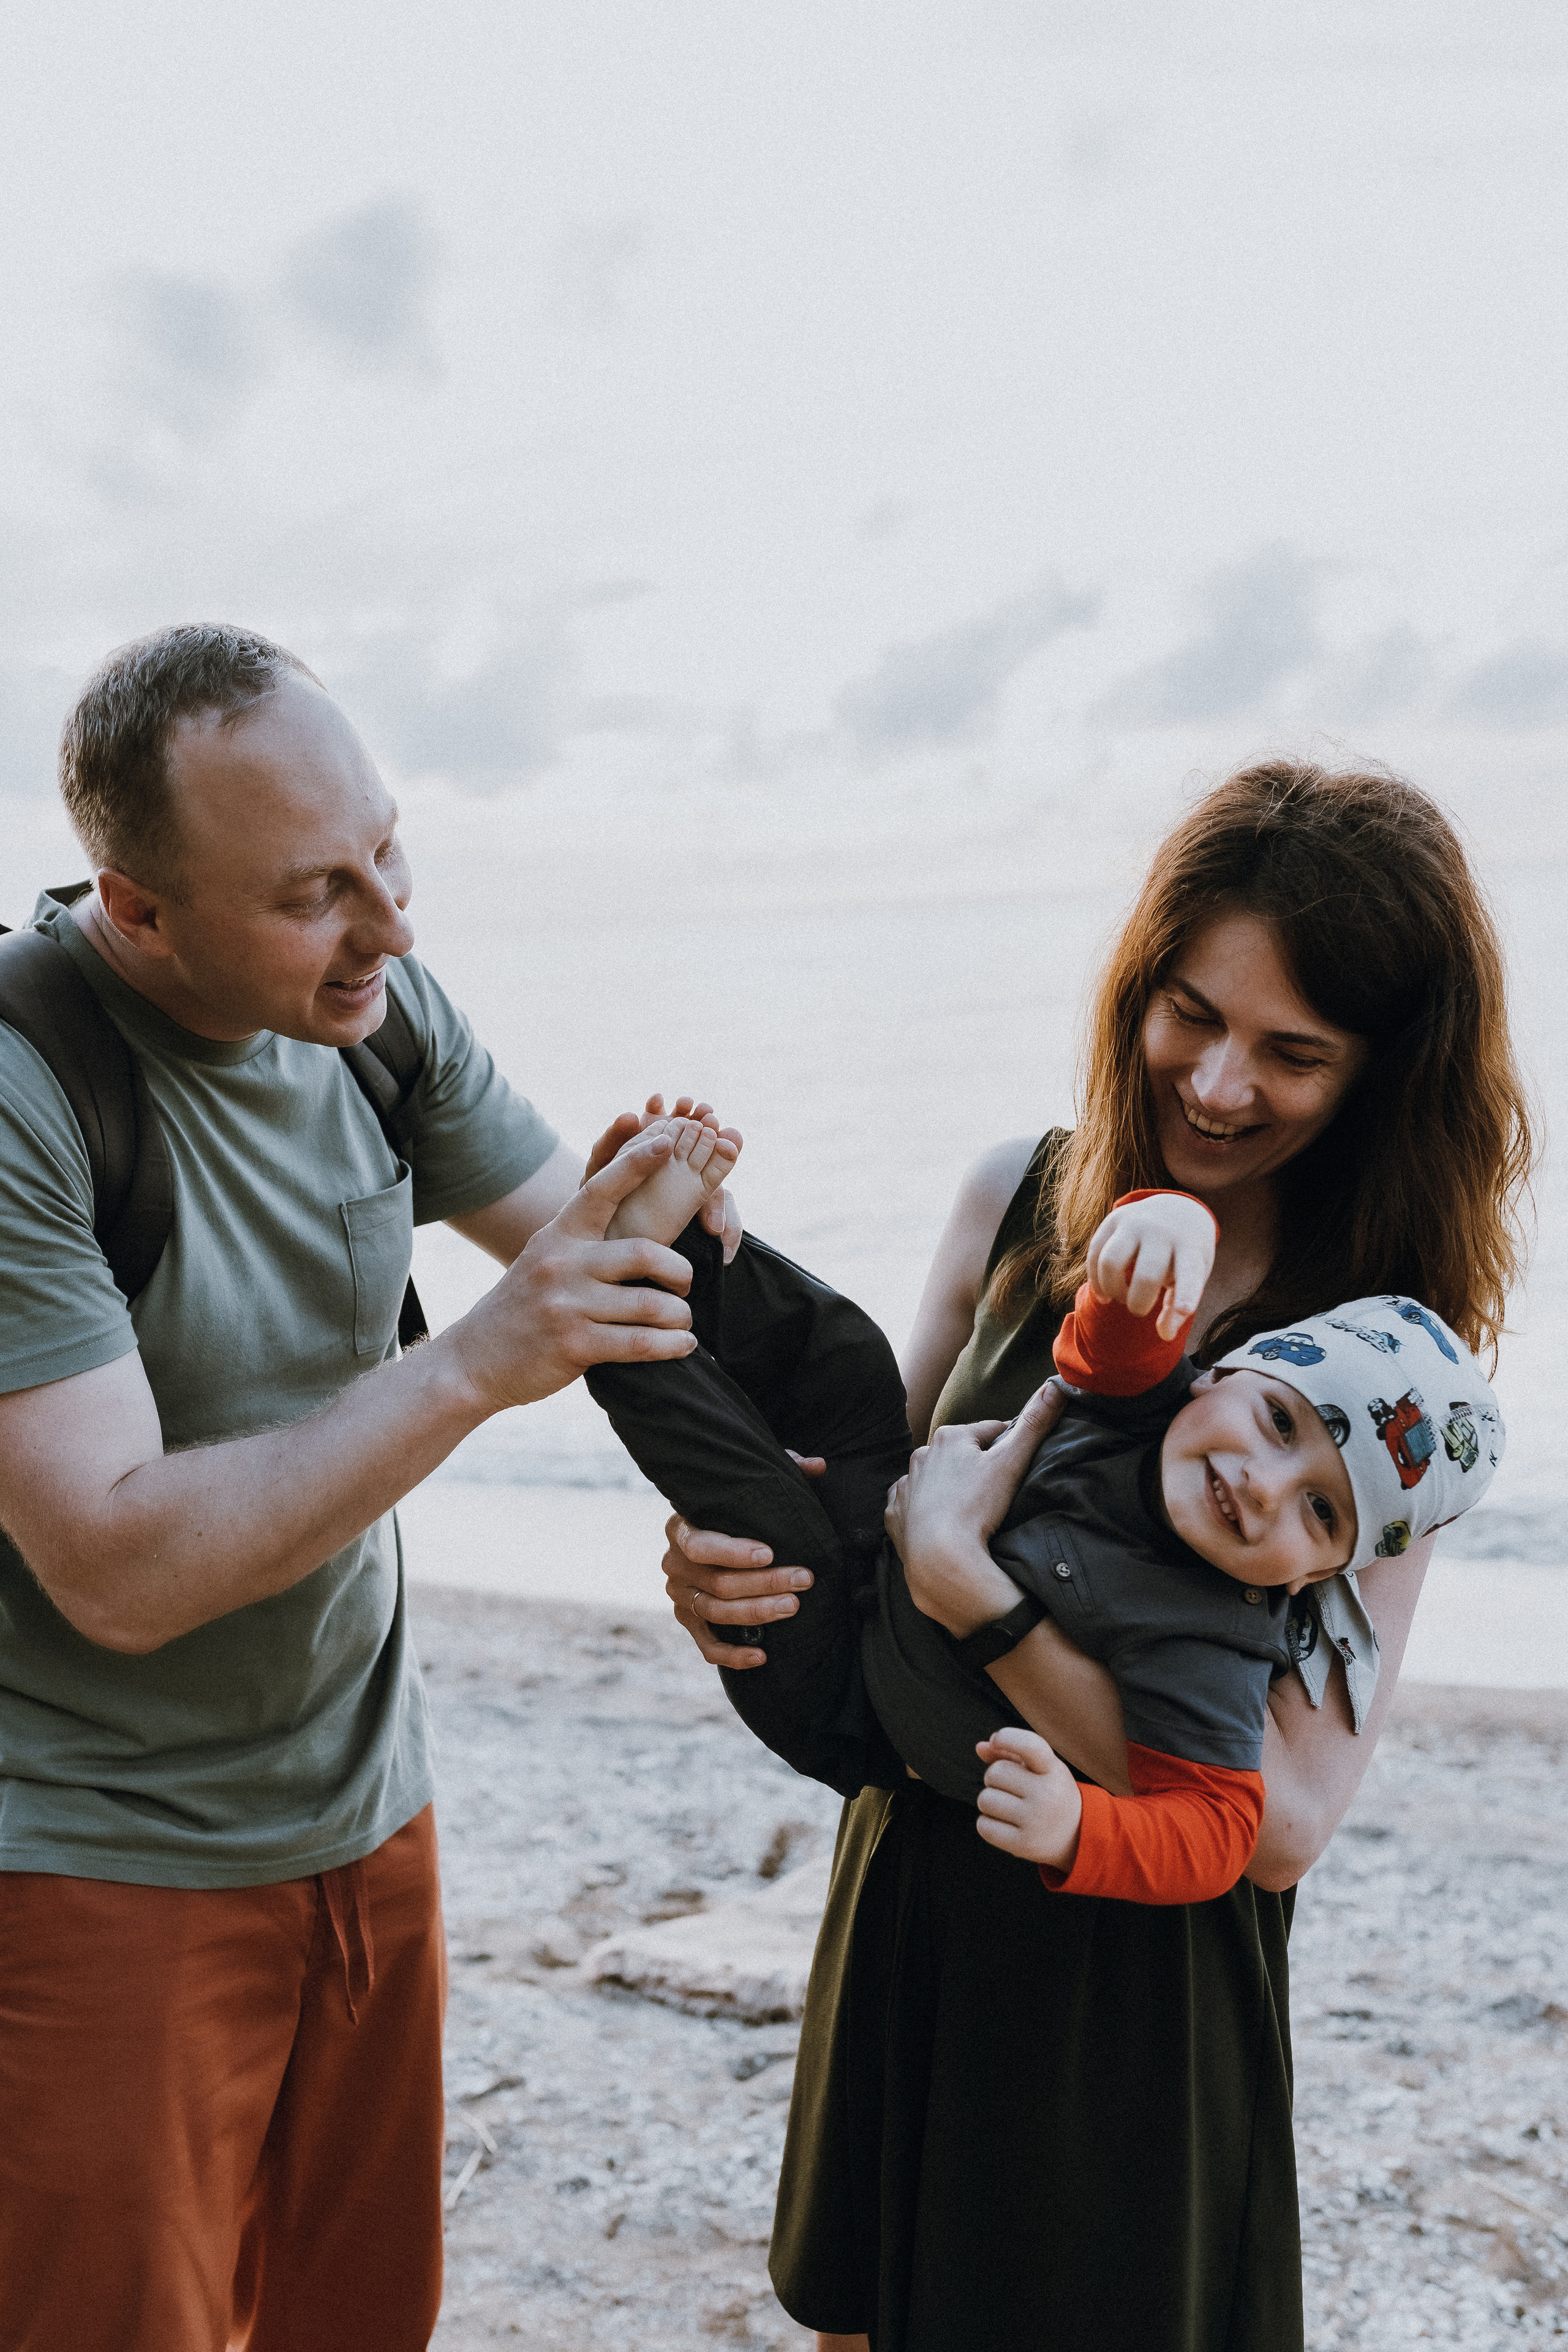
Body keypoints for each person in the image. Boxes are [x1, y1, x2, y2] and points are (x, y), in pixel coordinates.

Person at [656, 761, 1536, 2352]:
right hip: (920, 1882)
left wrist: (975, 1606)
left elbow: (1284, 1817)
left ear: (1382, 1077)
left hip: (1134, 1986)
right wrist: (731, 1561)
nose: (1214, 1082)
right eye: (1188, 1013)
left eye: (1294, 1053)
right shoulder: (1016, 1202)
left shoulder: (1381, 1370)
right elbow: (878, 1518)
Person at [0, 624, 733, 2352]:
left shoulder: (378, 1015)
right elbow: (111, 1561)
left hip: (364, 1811)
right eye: (316, 891)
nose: (391, 925)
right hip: (98, 1853)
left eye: (389, 847)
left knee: (358, 2321)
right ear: (140, 905)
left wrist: (671, 1202)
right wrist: (479, 1359)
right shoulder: (32, 1096)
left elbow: (593, 1259)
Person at [592, 1142, 1502, 1903]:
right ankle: (686, 1258)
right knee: (850, 1363)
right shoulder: (1152, 1408)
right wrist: (1166, 1224)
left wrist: (1083, 1830)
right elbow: (1114, 1329)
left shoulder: (1215, 1639)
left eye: (1320, 1511)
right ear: (1223, 1373)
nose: (1264, 1486)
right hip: (879, 1536)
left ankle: (612, 1317)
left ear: (1315, 1578)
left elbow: (1220, 1828)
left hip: (852, 1695)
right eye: (1279, 1421)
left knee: (766, 1511)